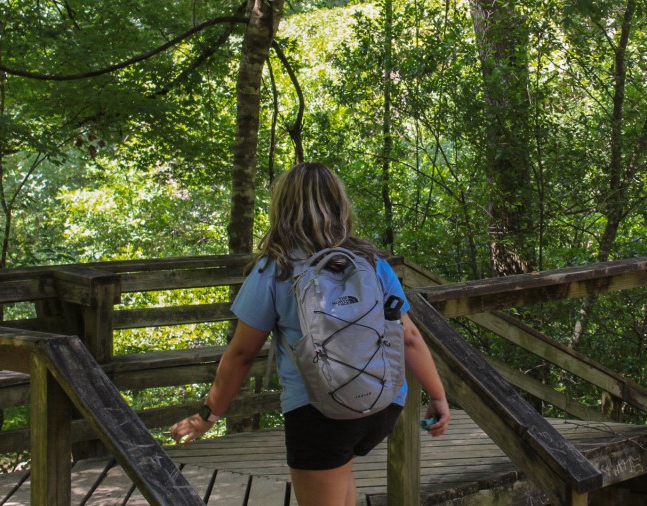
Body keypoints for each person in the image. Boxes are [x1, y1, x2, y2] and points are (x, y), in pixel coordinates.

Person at [170, 162, 449, 506]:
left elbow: (241, 355)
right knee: (340, 472)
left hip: (319, 411)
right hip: (383, 403)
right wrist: (438, 396)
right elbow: (410, 337)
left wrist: (207, 415)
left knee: (332, 465)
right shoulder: (372, 262)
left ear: (282, 208)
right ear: (339, 204)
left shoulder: (275, 269)